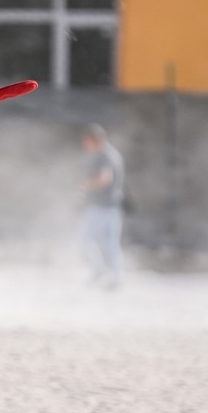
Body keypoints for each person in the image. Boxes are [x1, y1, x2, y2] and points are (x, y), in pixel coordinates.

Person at [80, 123, 125, 289]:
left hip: (102, 207)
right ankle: (115, 278)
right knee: (110, 244)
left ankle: (99, 270)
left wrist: (87, 185)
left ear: (94, 139)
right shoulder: (112, 154)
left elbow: (105, 179)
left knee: (85, 241)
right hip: (111, 207)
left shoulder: (105, 156)